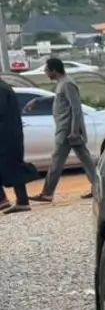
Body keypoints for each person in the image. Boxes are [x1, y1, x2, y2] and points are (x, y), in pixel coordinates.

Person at [29, 57, 97, 203]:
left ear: (53, 70)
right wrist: (37, 101)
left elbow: (76, 108)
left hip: (67, 131)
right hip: (67, 129)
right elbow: (58, 99)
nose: (46, 74)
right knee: (86, 160)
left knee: (57, 161)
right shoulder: (62, 83)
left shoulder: (67, 84)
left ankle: (47, 193)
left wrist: (74, 131)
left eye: (47, 70)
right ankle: (98, 188)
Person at [0, 79, 37, 214]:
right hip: (9, 134)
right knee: (13, 166)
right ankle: (20, 201)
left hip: (5, 135)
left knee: (13, 166)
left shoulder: (1, 89)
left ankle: (7, 200)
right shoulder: (5, 87)